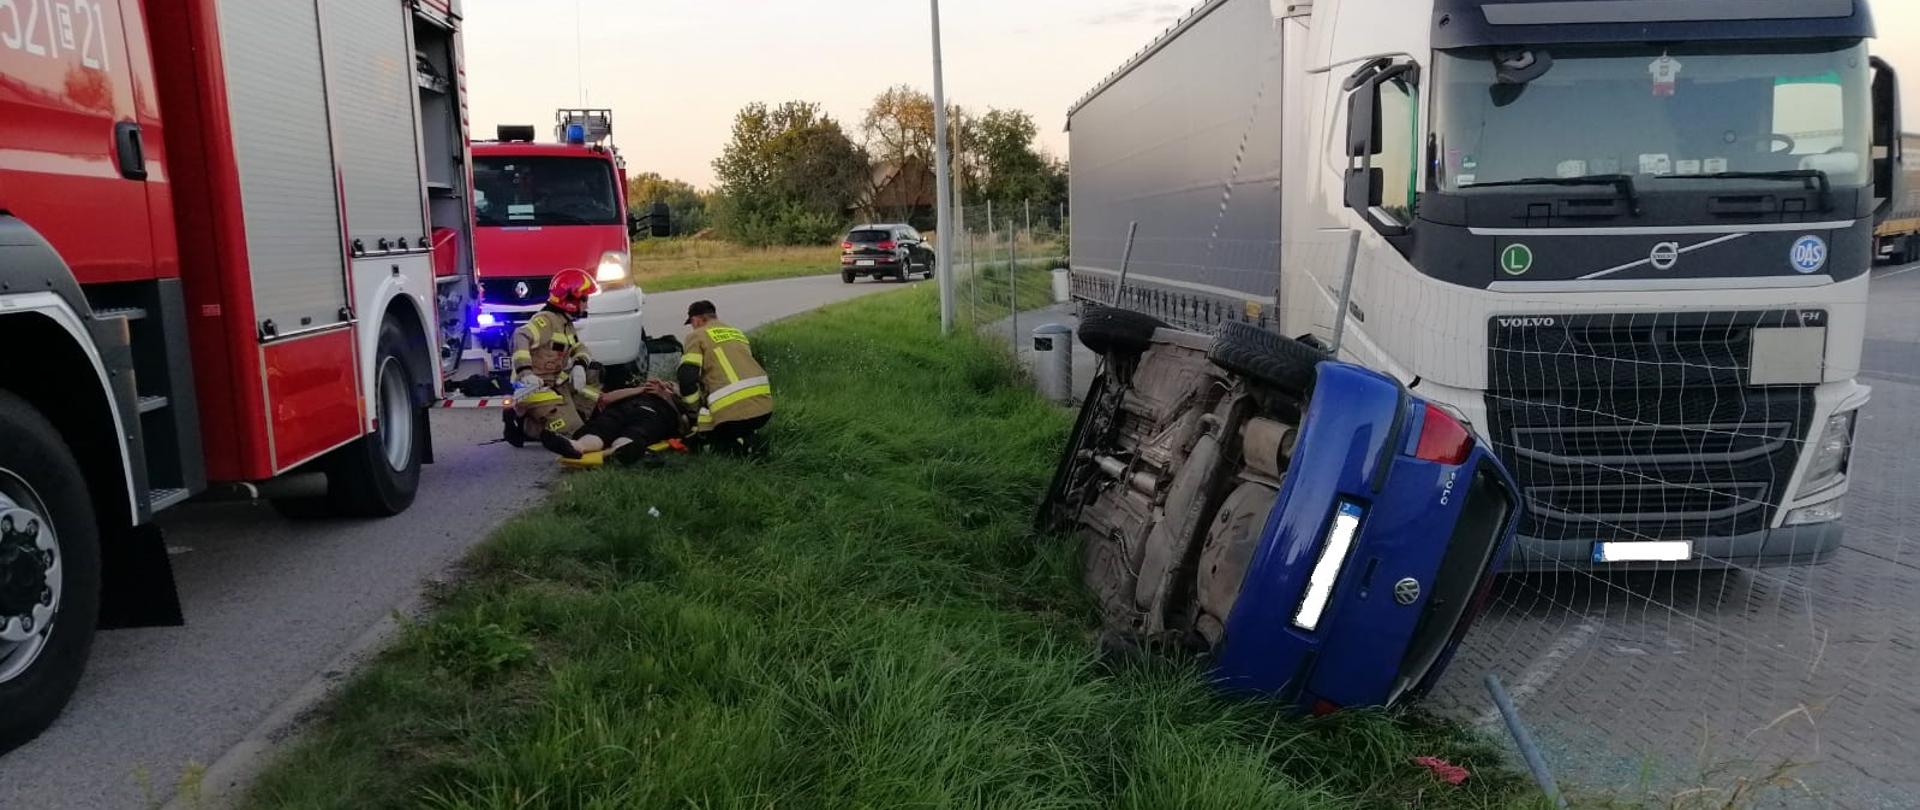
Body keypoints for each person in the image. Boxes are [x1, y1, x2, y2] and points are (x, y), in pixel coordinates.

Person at [509, 268, 602, 444]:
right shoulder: (546, 320)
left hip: (555, 385)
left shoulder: (565, 324)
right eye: (584, 299)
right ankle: (523, 423)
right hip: (533, 388)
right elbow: (520, 336)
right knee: (572, 432)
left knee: (594, 370)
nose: (587, 305)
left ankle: (580, 416)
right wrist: (526, 373)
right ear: (570, 300)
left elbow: (579, 348)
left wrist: (580, 365)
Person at [676, 300, 773, 455]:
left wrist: (692, 412)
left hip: (732, 414)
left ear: (697, 320)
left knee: (704, 441)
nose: (692, 326)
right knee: (731, 420)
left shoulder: (696, 336)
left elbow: (687, 377)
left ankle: (736, 445)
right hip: (764, 410)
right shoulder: (737, 333)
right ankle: (747, 437)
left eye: (692, 323)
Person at [539, 379, 690, 466]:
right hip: (622, 410)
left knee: (635, 433)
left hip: (652, 415)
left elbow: (683, 425)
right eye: (664, 383)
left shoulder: (675, 407)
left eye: (670, 386)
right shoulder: (636, 392)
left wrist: (665, 395)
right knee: (602, 428)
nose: (664, 385)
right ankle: (575, 446)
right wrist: (641, 389)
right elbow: (605, 399)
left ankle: (616, 452)